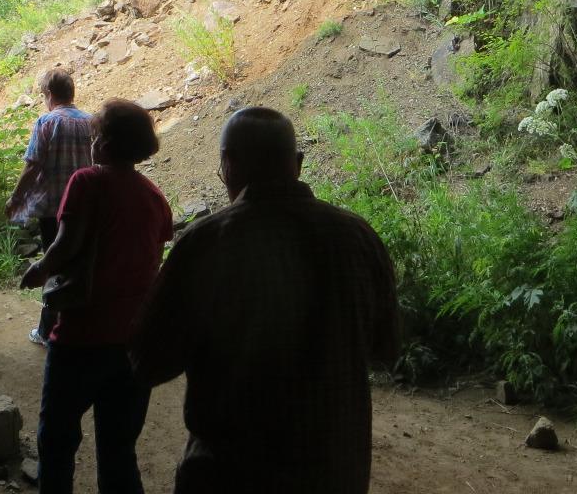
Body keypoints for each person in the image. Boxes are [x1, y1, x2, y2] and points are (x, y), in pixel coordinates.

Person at [131, 108, 400, 494]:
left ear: (228, 163)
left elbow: (147, 361)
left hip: (230, 475)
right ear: (298, 164)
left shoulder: (206, 244)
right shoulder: (358, 238)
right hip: (335, 472)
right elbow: (386, 348)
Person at [21, 100, 171, 494]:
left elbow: (65, 245)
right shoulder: (154, 196)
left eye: (94, 136)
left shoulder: (87, 181)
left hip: (83, 334)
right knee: (119, 449)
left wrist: (39, 271)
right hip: (134, 340)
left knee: (56, 438)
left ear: (103, 143)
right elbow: (152, 258)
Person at [6, 67, 95, 345]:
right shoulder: (92, 122)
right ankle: (79, 326)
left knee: (53, 265)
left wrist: (16, 198)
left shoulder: (46, 122)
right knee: (81, 265)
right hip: (86, 207)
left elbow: (32, 165)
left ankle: (48, 331)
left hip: (53, 208)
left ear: (49, 94)